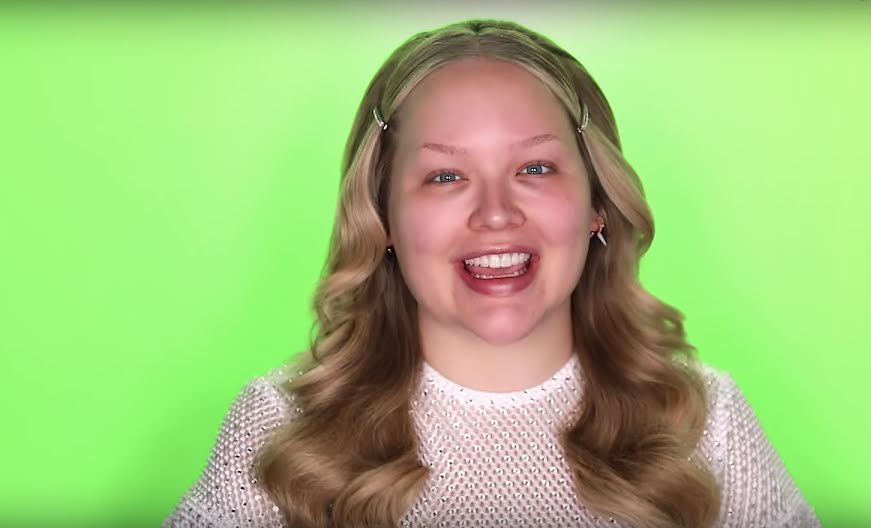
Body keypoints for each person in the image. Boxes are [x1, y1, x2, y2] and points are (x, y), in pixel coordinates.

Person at [163, 18, 820, 528]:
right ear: (382, 217)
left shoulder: (704, 422)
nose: (497, 214)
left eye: (535, 168)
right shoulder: (280, 429)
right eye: (446, 176)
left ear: (597, 203)